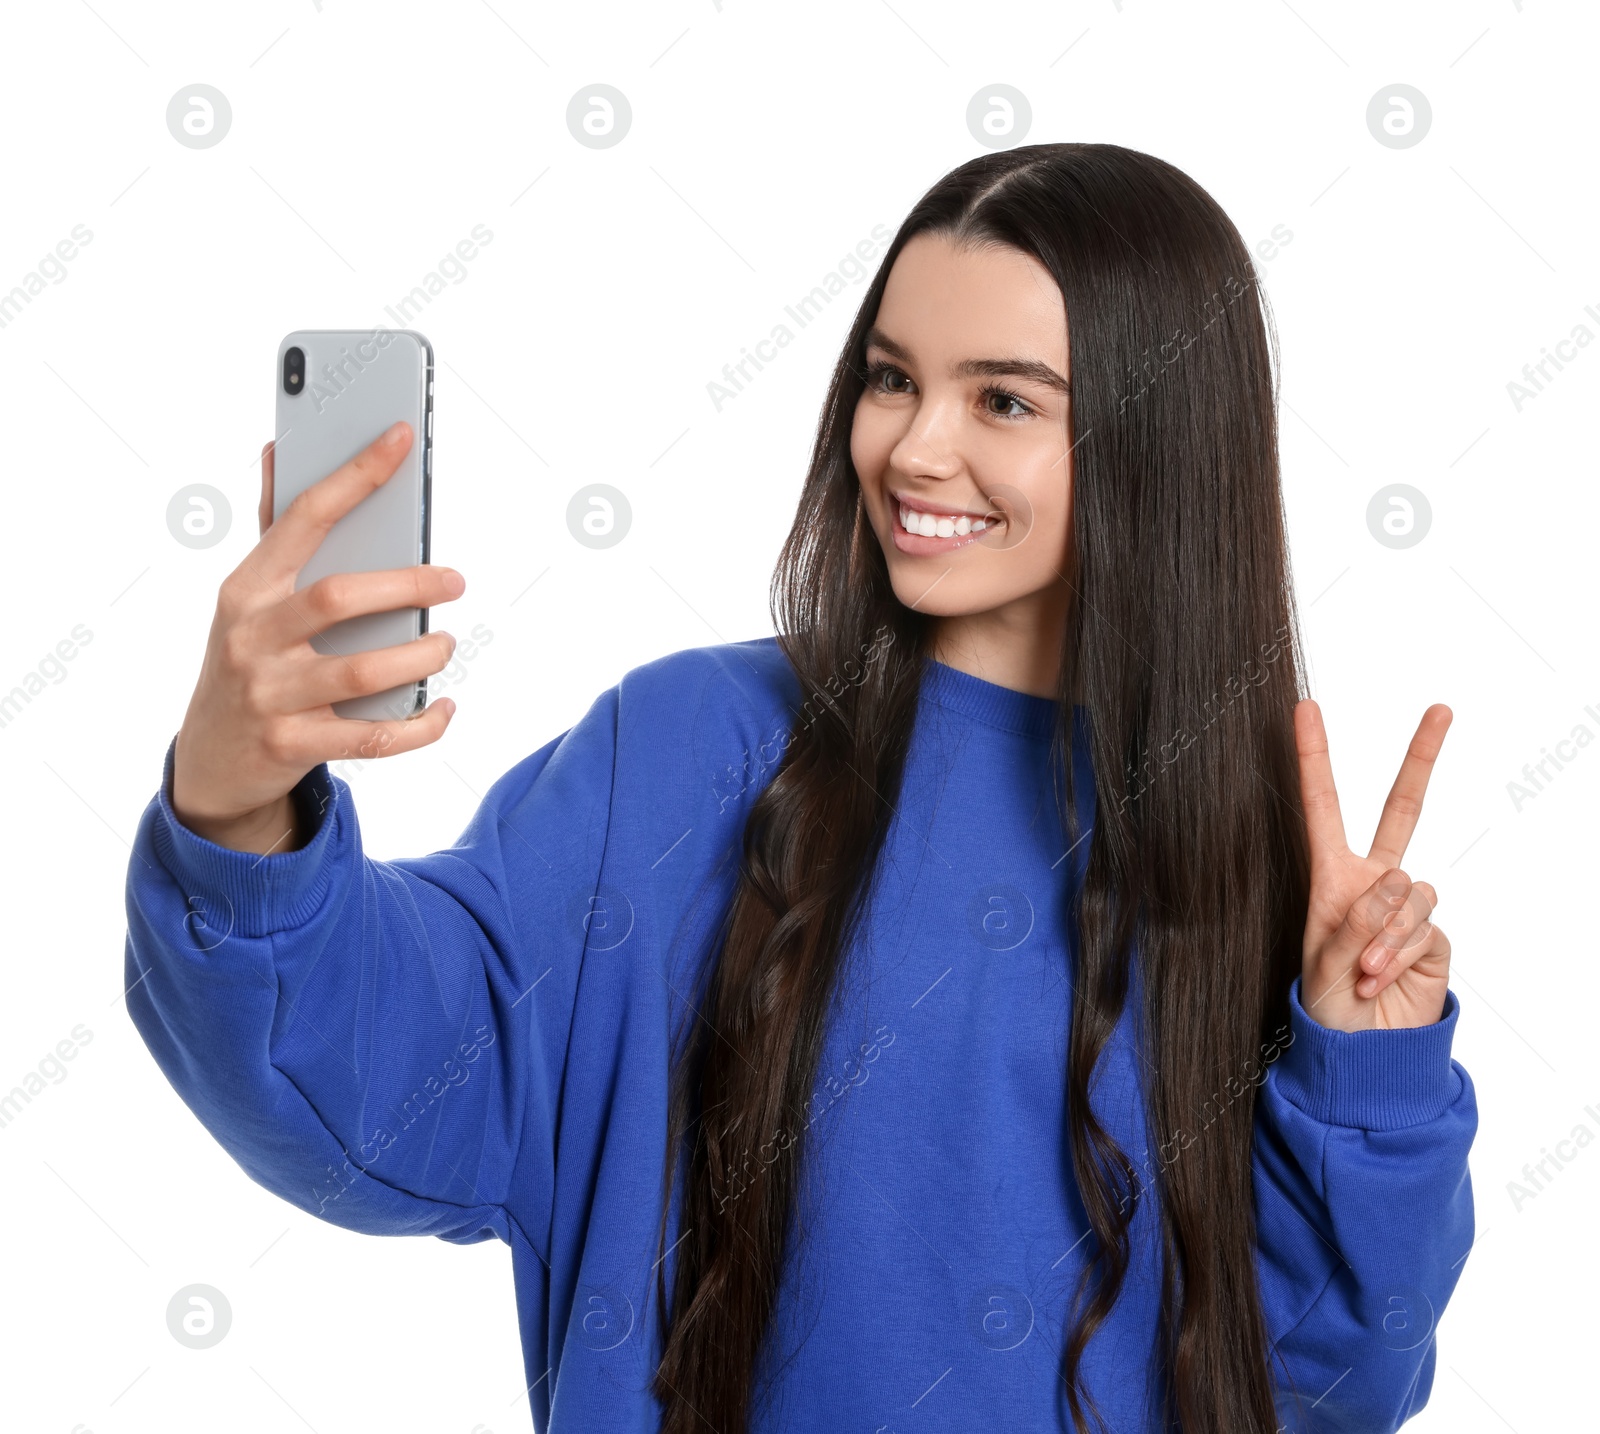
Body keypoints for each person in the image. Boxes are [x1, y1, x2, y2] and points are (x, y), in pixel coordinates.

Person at [124, 142, 1476, 1434]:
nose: (912, 449)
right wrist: (239, 806)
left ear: (1160, 437)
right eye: (892, 378)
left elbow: (1337, 1375)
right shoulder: (685, 752)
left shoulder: (1250, 855)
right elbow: (387, 1084)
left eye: (1002, 399)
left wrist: (1368, 1066)